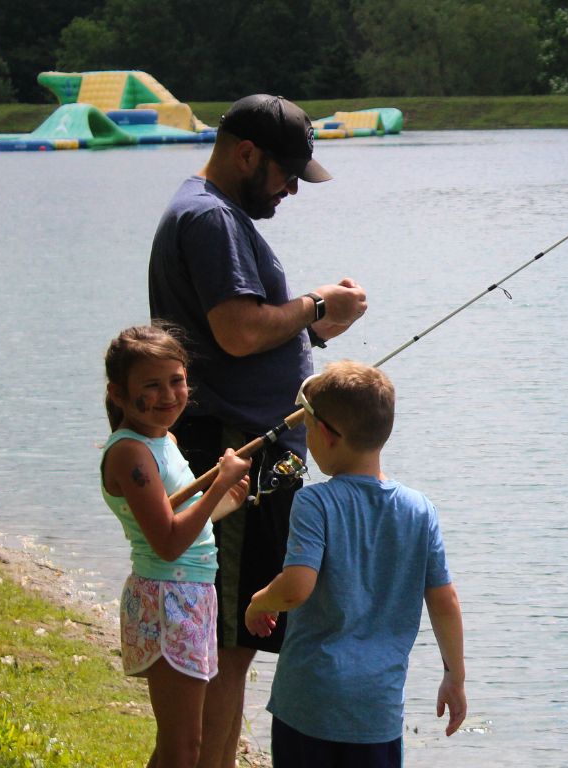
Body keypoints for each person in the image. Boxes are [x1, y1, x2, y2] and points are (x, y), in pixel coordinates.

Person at [148, 94, 368, 767]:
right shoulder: (210, 217)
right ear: (247, 153)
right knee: (227, 638)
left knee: (237, 639)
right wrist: (316, 304)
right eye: (286, 173)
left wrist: (309, 325)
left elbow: (241, 326)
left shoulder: (210, 212)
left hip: (248, 449)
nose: (292, 189)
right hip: (236, 450)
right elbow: (238, 332)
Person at [244, 361, 466, 767]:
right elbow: (445, 601)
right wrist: (454, 674)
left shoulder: (315, 503)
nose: (306, 438)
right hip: (376, 713)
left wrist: (259, 602)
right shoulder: (420, 511)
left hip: (308, 704)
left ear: (327, 436)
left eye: (308, 428)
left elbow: (296, 587)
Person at [101, 325, 252, 768]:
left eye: (177, 380)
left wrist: (223, 503)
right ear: (117, 393)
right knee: (184, 749)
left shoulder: (163, 440)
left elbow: (178, 528)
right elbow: (166, 544)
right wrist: (216, 486)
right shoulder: (130, 454)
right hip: (166, 599)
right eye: (151, 385)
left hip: (192, 594)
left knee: (180, 745)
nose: (168, 394)